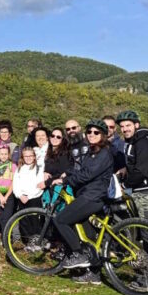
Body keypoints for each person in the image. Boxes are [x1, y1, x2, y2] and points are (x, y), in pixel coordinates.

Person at [50, 119, 114, 285]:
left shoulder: (104, 153)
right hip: (87, 195)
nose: (92, 135)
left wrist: (65, 182)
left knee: (60, 219)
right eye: (89, 132)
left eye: (96, 132)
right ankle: (94, 274)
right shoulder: (92, 151)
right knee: (89, 238)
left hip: (93, 196)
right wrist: (65, 174)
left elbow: (87, 175)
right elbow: (79, 169)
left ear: (103, 136)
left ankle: (78, 254)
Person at [117, 110, 148, 219]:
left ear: (136, 125)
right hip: (141, 190)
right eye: (122, 126)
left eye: (128, 125)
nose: (125, 129)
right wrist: (126, 169)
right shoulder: (133, 142)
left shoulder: (143, 142)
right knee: (144, 228)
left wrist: (124, 185)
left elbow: (141, 171)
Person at [13, 147, 45, 249]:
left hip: (34, 199)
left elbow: (39, 186)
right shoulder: (19, 169)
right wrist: (20, 195)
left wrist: (29, 196)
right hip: (22, 198)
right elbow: (15, 185)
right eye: (26, 156)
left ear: (34, 157)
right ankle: (27, 242)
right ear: (22, 157)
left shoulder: (39, 169)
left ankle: (37, 242)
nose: (28, 158)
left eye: (30, 156)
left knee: (34, 220)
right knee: (24, 221)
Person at [39, 127, 72, 208]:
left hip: (58, 190)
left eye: (58, 137)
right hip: (50, 189)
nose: (54, 138)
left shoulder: (64, 154)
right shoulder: (50, 152)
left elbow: (61, 173)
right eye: (53, 135)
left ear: (63, 139)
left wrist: (47, 183)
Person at [0, 145, 16, 234]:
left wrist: (5, 197)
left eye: (6, 154)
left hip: (9, 194)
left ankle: (7, 237)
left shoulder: (13, 166)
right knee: (0, 216)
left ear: (9, 154)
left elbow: (13, 182)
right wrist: (0, 196)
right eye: (1, 154)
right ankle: (4, 235)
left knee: (7, 216)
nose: (3, 156)